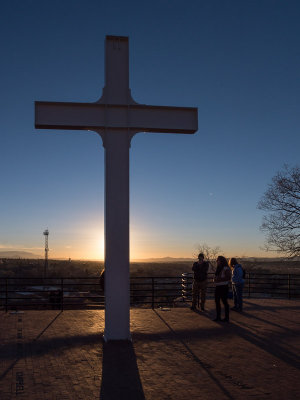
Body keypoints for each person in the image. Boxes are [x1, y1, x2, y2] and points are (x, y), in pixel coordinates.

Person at [213, 256, 232, 322]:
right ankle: (218, 317)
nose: (217, 261)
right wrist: (215, 279)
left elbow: (228, 277)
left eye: (218, 260)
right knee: (217, 302)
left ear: (221, 261)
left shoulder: (226, 268)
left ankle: (226, 318)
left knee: (224, 302)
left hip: (223, 287)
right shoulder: (218, 268)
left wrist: (218, 279)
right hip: (218, 287)